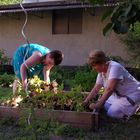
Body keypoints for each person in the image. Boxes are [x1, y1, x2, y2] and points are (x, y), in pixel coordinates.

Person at [82, 50, 140, 119]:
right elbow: (96, 88)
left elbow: (110, 89)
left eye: (94, 66)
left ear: (102, 63)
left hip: (132, 93)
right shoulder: (101, 72)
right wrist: (86, 101)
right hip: (120, 95)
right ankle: (129, 107)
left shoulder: (115, 67)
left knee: (111, 113)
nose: (93, 69)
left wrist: (98, 105)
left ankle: (128, 114)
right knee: (105, 104)